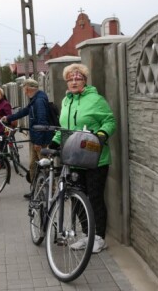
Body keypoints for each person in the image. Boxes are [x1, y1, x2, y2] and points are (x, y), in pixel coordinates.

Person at [52, 63, 116, 254]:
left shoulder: (96, 99)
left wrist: (103, 134)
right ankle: (87, 236)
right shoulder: (66, 101)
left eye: (77, 78)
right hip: (74, 157)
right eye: (70, 78)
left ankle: (99, 238)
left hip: (95, 157)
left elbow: (110, 120)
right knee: (78, 198)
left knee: (95, 197)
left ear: (84, 80)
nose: (73, 81)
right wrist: (53, 144)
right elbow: (64, 129)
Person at [1, 78, 53, 198]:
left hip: (41, 140)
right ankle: (36, 191)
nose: (24, 91)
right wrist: (9, 118)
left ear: (28, 88)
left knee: (44, 166)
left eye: (24, 89)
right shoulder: (34, 99)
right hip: (35, 138)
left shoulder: (39, 100)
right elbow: (25, 111)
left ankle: (51, 191)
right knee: (33, 166)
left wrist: (39, 142)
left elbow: (42, 122)